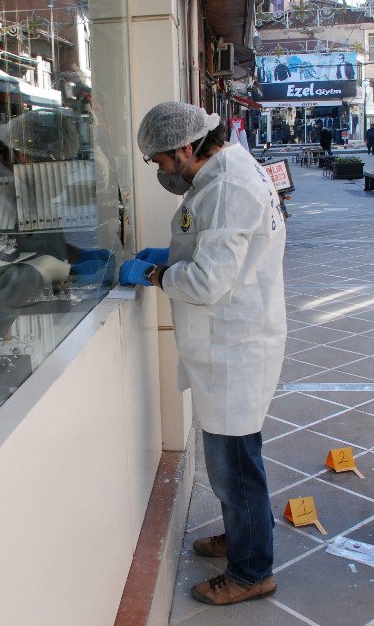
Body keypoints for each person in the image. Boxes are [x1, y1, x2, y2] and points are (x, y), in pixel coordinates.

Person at [118, 102, 287, 606]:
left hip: (236, 347)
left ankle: (253, 570)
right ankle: (244, 538)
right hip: (230, 342)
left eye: (161, 162)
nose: (162, 173)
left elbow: (209, 280)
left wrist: (155, 274)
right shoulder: (225, 175)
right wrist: (169, 256)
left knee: (235, 467)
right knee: (229, 462)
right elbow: (216, 250)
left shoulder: (229, 188)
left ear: (186, 149)